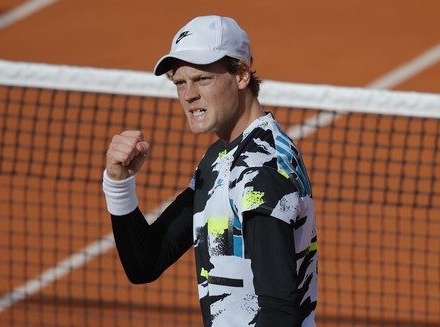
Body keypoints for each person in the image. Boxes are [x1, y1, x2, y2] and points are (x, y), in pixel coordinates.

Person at [102, 15, 318, 326]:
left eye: (202, 79)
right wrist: (118, 183)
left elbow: (279, 310)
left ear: (242, 74)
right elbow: (145, 263)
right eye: (179, 83)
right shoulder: (221, 157)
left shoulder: (262, 171)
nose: (188, 95)